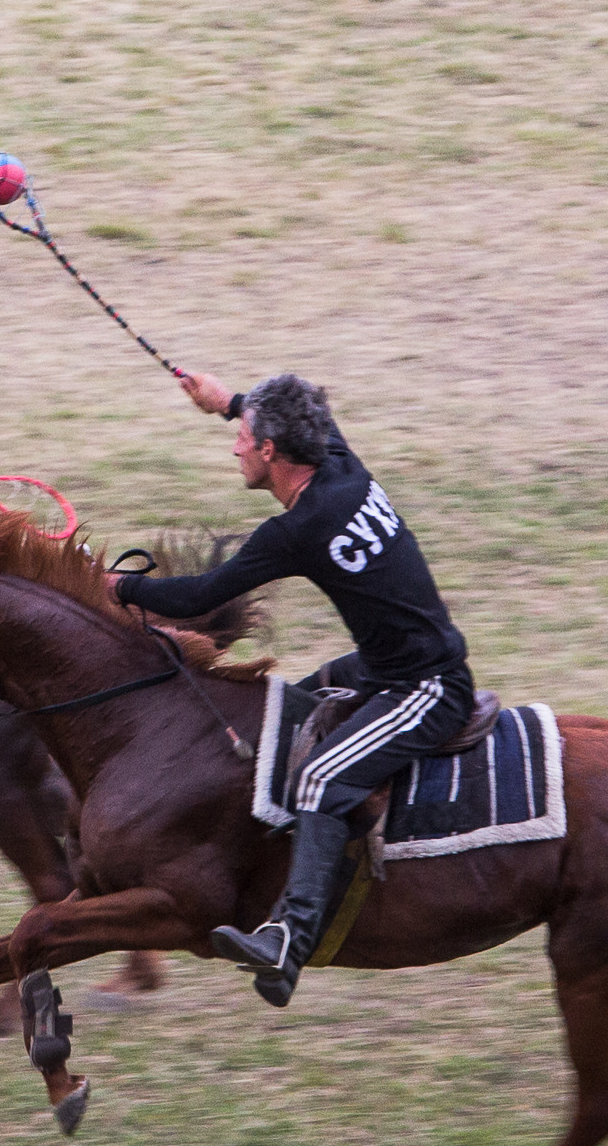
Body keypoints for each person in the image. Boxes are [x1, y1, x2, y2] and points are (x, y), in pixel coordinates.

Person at [114, 370, 474, 1007]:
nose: (236, 448)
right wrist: (226, 403)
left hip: (428, 687)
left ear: (271, 452)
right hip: (380, 666)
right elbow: (296, 411)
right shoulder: (337, 460)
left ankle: (289, 941)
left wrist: (117, 589)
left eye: (244, 438)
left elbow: (199, 595)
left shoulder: (301, 528)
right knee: (289, 724)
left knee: (321, 779)